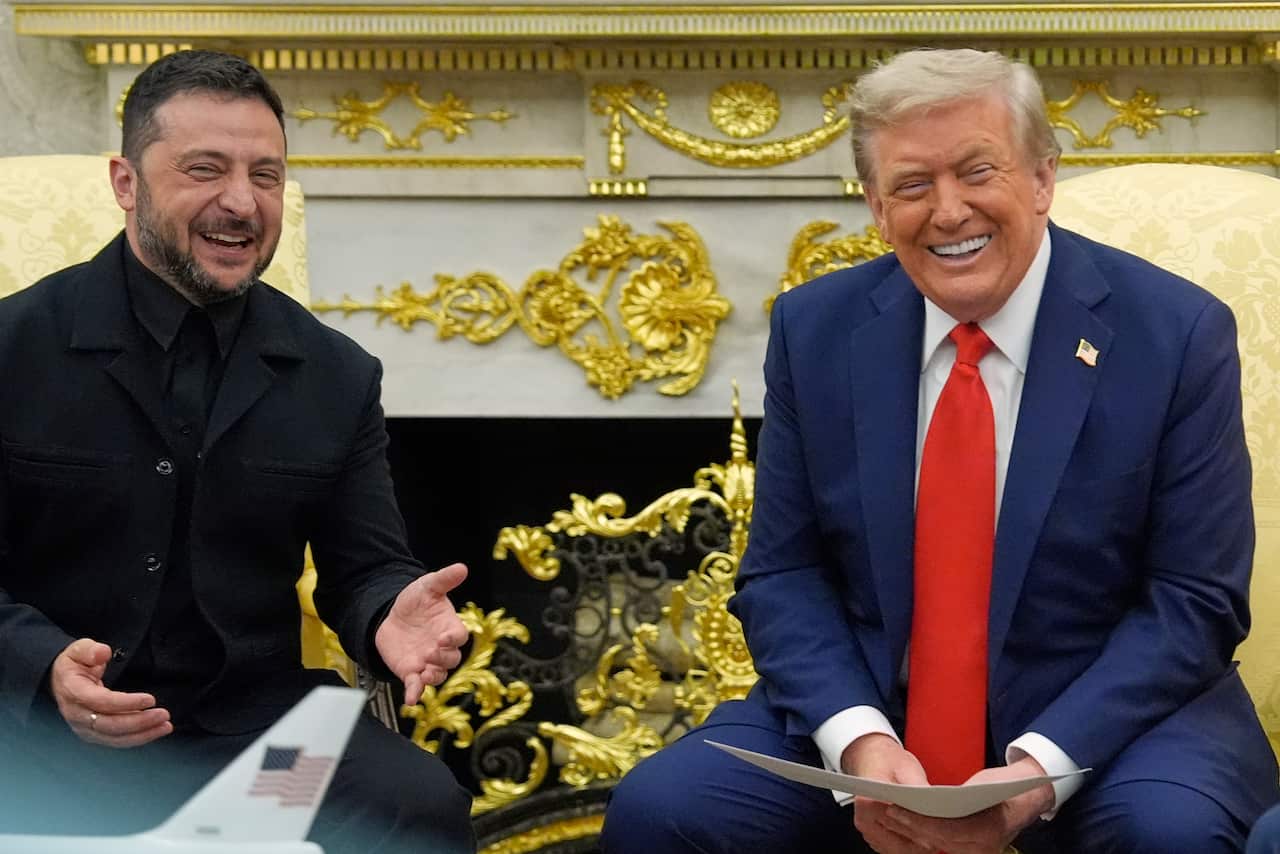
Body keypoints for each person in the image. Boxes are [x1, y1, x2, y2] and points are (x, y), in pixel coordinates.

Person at [601, 48, 1279, 853]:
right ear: (877, 208)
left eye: (977, 171)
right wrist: (859, 741)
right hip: (878, 709)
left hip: (1114, 722)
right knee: (664, 810)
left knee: (1167, 835)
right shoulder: (816, 331)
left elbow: (1193, 600)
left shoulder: (1173, 333)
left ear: (1042, 178)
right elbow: (783, 573)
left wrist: (1038, 766)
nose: (949, 211)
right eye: (913, 186)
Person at [0, 49, 475, 852]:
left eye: (265, 175)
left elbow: (366, 569)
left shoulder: (336, 374)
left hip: (258, 738)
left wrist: (388, 615)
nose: (241, 203)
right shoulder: (12, 349)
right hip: (40, 730)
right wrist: (43, 667)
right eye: (205, 169)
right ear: (126, 182)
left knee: (417, 804)